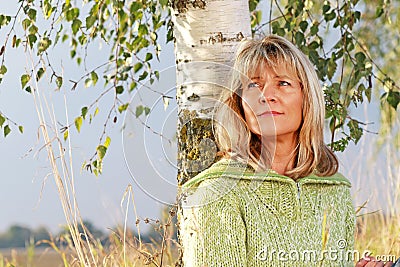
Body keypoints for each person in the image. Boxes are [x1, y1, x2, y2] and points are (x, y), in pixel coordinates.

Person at [179, 35, 392, 266]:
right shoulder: (217, 196)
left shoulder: (335, 192)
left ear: (307, 98)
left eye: (283, 83)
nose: (266, 95)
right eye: (254, 85)